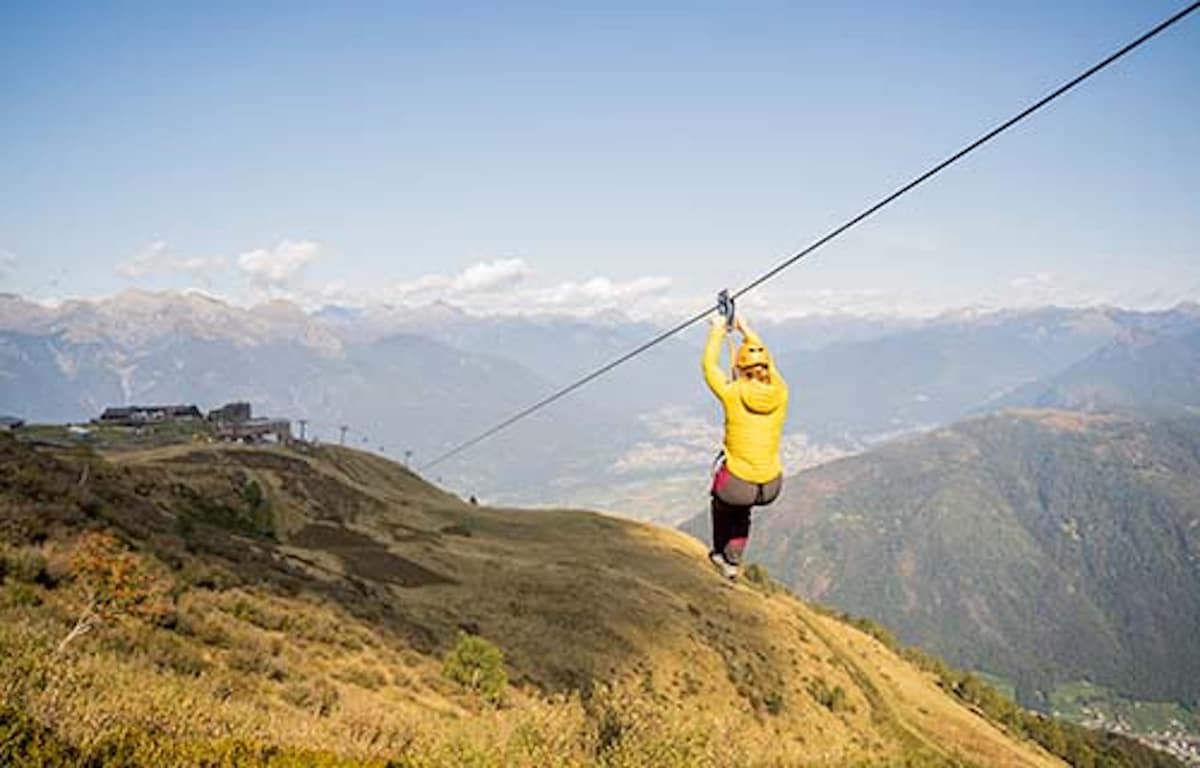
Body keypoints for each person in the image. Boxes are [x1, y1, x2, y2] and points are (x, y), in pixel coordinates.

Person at [702, 312, 788, 580]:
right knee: (743, 513)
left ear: (739, 367)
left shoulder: (732, 393)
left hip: (737, 485)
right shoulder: (780, 391)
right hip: (771, 485)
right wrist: (745, 328)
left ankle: (722, 556)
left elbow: (708, 366)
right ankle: (734, 556)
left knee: (723, 505)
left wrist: (717, 330)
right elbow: (767, 361)